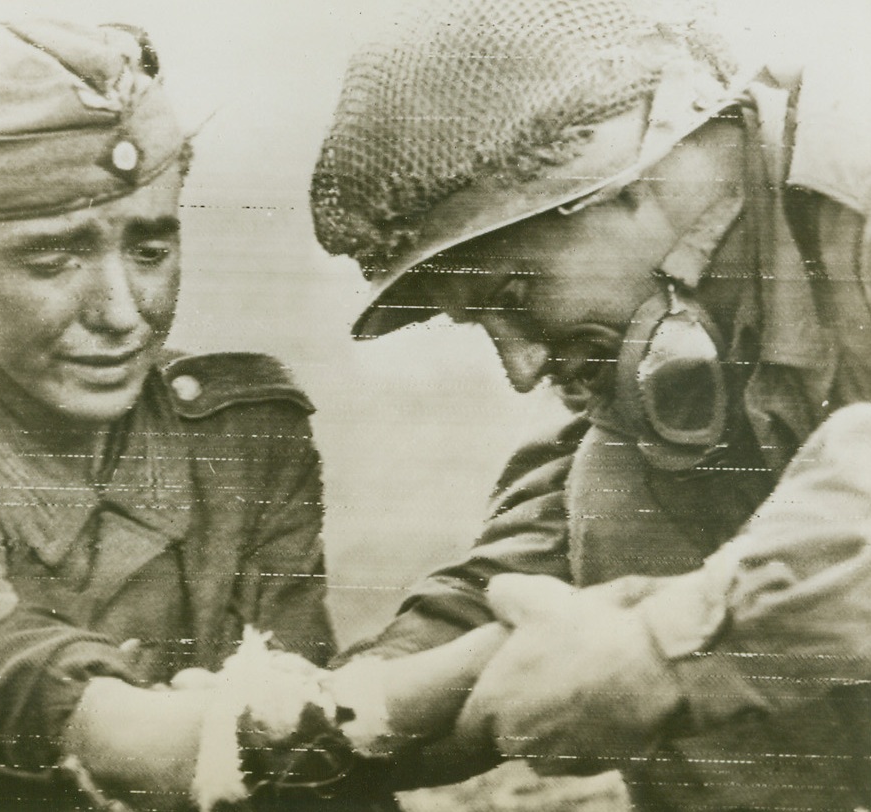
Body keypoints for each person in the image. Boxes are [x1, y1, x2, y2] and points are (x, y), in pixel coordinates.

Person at [307, 0, 871, 808]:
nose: (523, 365)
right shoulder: (677, 317)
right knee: (613, 488)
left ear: (633, 186)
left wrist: (652, 650)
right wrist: (361, 697)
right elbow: (550, 549)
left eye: (513, 295)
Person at [0, 19, 334, 811]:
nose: (123, 314)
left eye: (150, 251)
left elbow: (314, 753)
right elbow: (88, 723)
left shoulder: (244, 437)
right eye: (53, 259)